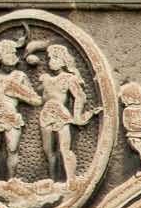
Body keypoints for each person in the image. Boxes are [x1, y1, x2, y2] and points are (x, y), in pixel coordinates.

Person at [0, 36, 41, 180]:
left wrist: (18, 92)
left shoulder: (20, 76)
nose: (12, 56)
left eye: (13, 53)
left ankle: (12, 181)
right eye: (9, 53)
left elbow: (36, 100)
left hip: (11, 116)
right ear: (0, 56)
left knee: (12, 149)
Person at [35, 43, 98, 184]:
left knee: (64, 149)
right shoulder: (45, 79)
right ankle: (53, 180)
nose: (51, 62)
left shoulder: (69, 79)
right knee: (48, 151)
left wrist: (77, 116)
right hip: (45, 116)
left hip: (62, 115)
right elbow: (39, 98)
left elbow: (79, 97)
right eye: (49, 58)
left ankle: (71, 179)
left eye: (55, 58)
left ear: (63, 61)